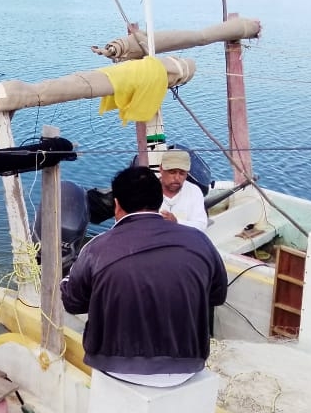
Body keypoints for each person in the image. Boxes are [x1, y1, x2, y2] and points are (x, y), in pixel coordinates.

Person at [60, 165, 226, 386]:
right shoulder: (199, 241)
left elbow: (73, 303)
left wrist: (66, 279)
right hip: (187, 366)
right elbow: (217, 296)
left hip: (114, 367)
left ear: (116, 205)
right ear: (159, 202)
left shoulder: (96, 249)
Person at [158, 149, 208, 231]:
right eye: (172, 172)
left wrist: (177, 221)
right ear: (161, 169)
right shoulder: (148, 190)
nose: (177, 178)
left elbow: (201, 225)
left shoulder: (194, 191)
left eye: (182, 173)